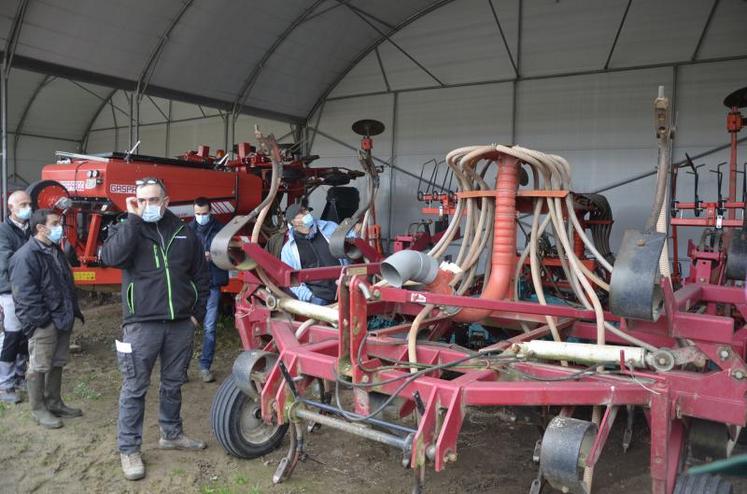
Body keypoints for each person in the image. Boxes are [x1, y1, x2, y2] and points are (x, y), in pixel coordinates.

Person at [101, 177, 210, 481]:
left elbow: (201, 276)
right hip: (141, 325)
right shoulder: (130, 230)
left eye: (153, 200)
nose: (147, 205)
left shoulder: (185, 232)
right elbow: (111, 258)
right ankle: (129, 449)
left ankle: (171, 433)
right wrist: (132, 219)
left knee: (173, 383)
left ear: (166, 200)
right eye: (142, 200)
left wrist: (195, 315)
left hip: (180, 324)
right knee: (134, 388)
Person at [9, 209, 84, 429]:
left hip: (62, 317)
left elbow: (63, 283)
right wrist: (43, 321)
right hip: (45, 322)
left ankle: (54, 402)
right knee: (39, 365)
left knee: (57, 362)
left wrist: (71, 312)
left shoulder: (54, 250)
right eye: (55, 223)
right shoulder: (25, 256)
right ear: (41, 228)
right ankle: (38, 409)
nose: (59, 226)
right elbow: (24, 295)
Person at [187, 197, 228, 383]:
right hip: (192, 286)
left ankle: (205, 367)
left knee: (209, 327)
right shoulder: (187, 230)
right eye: (198, 214)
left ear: (210, 212)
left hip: (212, 284)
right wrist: (197, 258)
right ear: (193, 212)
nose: (201, 217)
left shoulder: (220, 230)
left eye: (204, 214)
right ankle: (181, 368)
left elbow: (228, 253)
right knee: (186, 327)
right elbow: (181, 256)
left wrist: (214, 255)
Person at [280, 202, 350, 305]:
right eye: (302, 212)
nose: (307, 213)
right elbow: (293, 281)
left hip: (344, 289)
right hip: (320, 299)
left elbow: (350, 238)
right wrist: (310, 297)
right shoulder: (288, 250)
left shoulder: (329, 227)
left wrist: (355, 232)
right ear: (294, 222)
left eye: (306, 210)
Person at [0, 191, 33, 404]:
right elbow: (7, 260)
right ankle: (5, 384)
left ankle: (20, 376)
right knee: (11, 336)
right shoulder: (3, 231)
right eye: (22, 204)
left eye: (29, 204)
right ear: (11, 208)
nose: (27, 208)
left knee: (25, 335)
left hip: (30, 290)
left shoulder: (32, 229)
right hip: (10, 290)